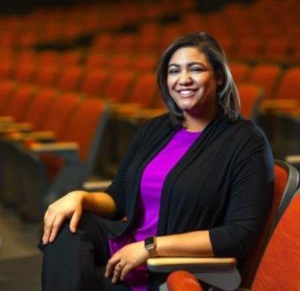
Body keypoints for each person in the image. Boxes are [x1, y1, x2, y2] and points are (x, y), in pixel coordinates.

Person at [39, 32, 274, 291]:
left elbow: (238, 235)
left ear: (218, 77)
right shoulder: (155, 129)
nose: (183, 79)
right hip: (122, 251)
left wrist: (150, 247)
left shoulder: (246, 141)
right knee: (66, 225)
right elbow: (118, 198)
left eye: (195, 69)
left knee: (75, 279)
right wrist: (80, 197)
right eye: (174, 71)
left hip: (167, 267)